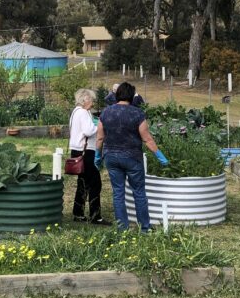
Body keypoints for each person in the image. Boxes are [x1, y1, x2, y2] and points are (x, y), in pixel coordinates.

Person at [96, 82, 168, 232]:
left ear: (117, 95)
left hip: (111, 157)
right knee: (139, 192)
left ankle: (122, 228)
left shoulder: (105, 112)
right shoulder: (137, 113)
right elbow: (147, 138)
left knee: (118, 193)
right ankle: (145, 228)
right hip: (132, 157)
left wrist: (98, 155)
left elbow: (100, 138)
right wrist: (160, 156)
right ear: (131, 96)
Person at [69, 88, 109, 225]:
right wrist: (98, 126)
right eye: (91, 100)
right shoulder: (84, 113)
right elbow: (88, 131)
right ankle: (95, 216)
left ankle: (78, 213)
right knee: (95, 183)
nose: (92, 103)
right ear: (84, 99)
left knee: (83, 183)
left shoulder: (75, 112)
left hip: (77, 150)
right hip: (87, 151)